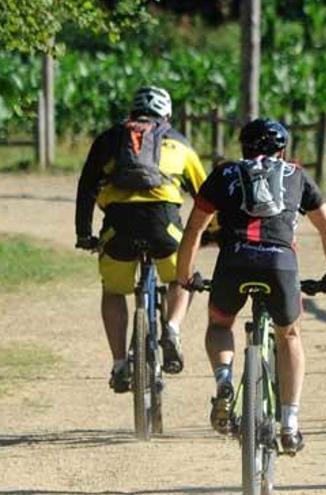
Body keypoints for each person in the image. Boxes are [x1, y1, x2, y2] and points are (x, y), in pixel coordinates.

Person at [176, 118, 326, 455]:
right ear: (283, 150)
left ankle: (225, 382)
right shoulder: (296, 173)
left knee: (220, 323)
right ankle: (290, 424)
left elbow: (194, 229)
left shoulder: (224, 174)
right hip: (280, 264)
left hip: (234, 260)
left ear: (244, 147)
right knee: (290, 336)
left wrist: (185, 275)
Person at [75, 86, 207, 392]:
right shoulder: (178, 142)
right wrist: (211, 233)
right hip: (163, 223)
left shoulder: (109, 139)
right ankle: (172, 328)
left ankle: (120, 363)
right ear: (167, 114)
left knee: (113, 290)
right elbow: (205, 194)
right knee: (182, 279)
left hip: (119, 225)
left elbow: (86, 188)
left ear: (132, 111)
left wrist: (84, 234)